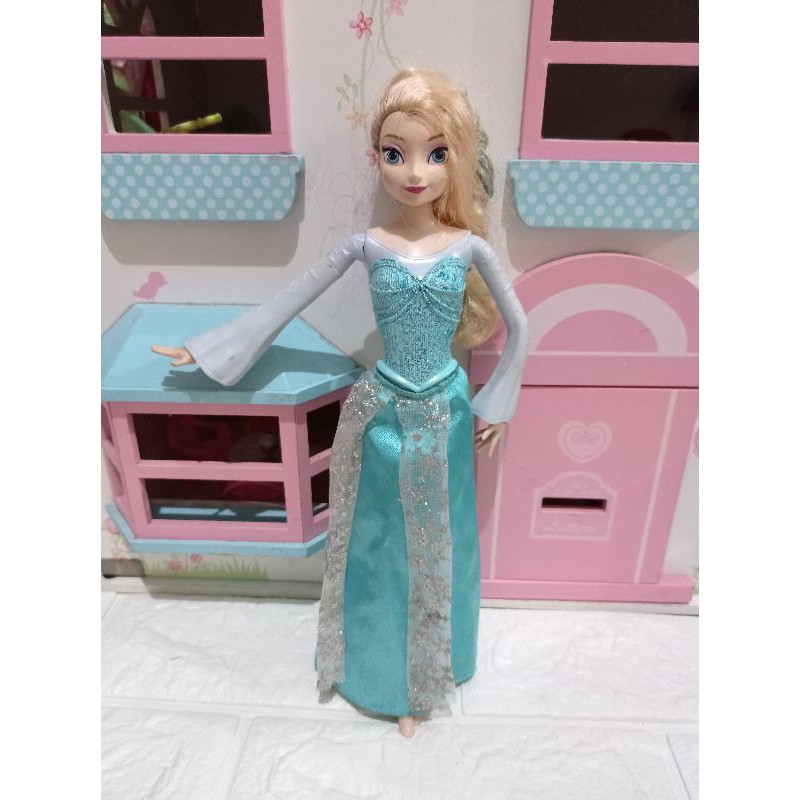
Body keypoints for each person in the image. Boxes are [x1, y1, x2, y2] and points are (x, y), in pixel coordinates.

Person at [153, 67, 528, 738]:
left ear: (457, 158)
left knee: (442, 542)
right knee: (377, 543)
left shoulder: (469, 247)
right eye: (395, 153)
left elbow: (521, 327)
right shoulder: (367, 245)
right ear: (376, 157)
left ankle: (431, 671)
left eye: (436, 153)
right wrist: (210, 350)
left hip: (445, 413)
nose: (414, 171)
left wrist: (497, 402)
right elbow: (288, 299)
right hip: (382, 413)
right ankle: (382, 675)